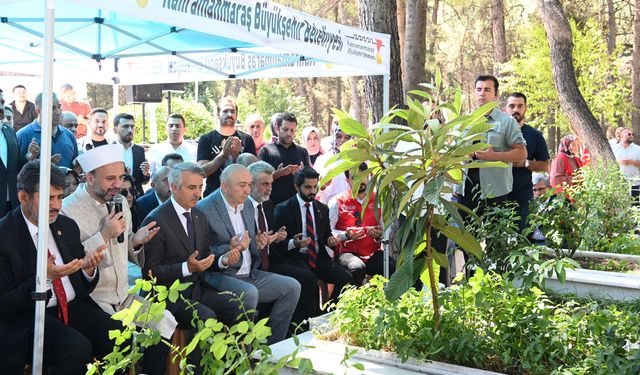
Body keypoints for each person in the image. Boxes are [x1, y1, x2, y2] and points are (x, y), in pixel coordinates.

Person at [61, 144, 172, 374]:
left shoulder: (120, 201)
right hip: (95, 300)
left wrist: (137, 241)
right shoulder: (68, 210)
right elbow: (74, 263)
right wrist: (103, 234)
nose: (118, 185)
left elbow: (126, 245)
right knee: (119, 338)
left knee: (164, 320)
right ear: (89, 178)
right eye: (110, 178)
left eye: (120, 177)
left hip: (124, 295)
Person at [0, 161, 118, 375]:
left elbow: (80, 287)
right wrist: (42, 278)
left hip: (72, 306)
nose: (55, 205)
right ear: (23, 197)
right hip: (29, 315)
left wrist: (88, 270)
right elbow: (5, 304)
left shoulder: (66, 226)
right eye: (48, 198)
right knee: (77, 349)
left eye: (60, 197)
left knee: (119, 335)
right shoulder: (4, 236)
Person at [196, 164, 301, 343]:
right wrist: (228, 250)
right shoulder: (204, 209)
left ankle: (272, 348)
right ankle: (245, 355)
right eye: (242, 185)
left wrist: (261, 243)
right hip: (219, 276)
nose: (247, 190)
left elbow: (250, 243)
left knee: (292, 286)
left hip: (250, 273)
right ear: (225, 186)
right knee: (250, 293)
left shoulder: (248, 206)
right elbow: (201, 252)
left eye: (250, 185)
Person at [142, 162, 244, 328]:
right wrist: (187, 267)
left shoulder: (198, 215)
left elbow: (203, 255)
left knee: (238, 305)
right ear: (174, 188)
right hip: (167, 295)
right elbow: (149, 272)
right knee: (206, 317)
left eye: (200, 187)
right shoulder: (156, 220)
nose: (198, 193)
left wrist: (223, 260)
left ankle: (235, 354)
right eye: (191, 188)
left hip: (195, 288)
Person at [247, 161, 317, 331]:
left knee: (306, 277)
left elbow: (273, 241)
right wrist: (264, 242)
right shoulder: (244, 207)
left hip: (272, 261)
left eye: (271, 183)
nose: (270, 188)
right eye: (264, 184)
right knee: (303, 278)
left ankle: (301, 329)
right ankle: (291, 331)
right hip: (254, 267)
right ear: (251, 185)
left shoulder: (268, 204)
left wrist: (280, 238)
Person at [274, 167, 352, 305]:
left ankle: (330, 314)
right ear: (297, 187)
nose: (313, 191)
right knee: (308, 280)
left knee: (345, 277)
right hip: (295, 257)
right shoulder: (284, 208)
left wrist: (330, 240)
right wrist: (294, 243)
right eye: (308, 187)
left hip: (317, 256)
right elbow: (277, 243)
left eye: (315, 187)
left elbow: (327, 235)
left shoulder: (322, 208)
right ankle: (308, 321)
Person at [456, 75, 527, 219]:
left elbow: (522, 154)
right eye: (479, 89)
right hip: (465, 191)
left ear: (496, 94)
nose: (482, 93)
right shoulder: (463, 122)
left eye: (487, 89)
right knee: (465, 239)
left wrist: (494, 156)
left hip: (496, 192)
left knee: (495, 240)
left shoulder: (507, 122)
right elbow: (452, 155)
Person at [329, 163, 395, 286]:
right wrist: (345, 235)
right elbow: (328, 231)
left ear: (369, 176)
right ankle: (341, 304)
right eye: (354, 178)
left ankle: (387, 303)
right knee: (357, 268)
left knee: (392, 267)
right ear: (347, 180)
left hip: (372, 253)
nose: (359, 180)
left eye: (362, 176)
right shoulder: (337, 202)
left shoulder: (378, 200)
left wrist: (380, 234)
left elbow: (387, 227)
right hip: (346, 253)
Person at [504, 92, 550, 231]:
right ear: (506, 108)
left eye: (520, 106)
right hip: (497, 193)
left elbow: (545, 165)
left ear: (526, 108)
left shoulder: (534, 135)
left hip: (522, 195)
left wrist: (525, 163)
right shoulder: (497, 132)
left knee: (523, 236)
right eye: (511, 106)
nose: (515, 110)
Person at [197, 96, 256, 197]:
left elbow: (253, 173)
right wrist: (223, 155)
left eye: (232, 111)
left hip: (241, 196)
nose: (229, 114)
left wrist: (236, 155)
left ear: (236, 115)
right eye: (225, 111)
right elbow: (201, 172)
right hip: (213, 196)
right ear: (217, 115)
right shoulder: (206, 139)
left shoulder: (247, 139)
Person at [258, 112, 310, 205]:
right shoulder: (266, 151)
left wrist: (301, 175)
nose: (289, 133)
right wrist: (278, 174)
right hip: (273, 205)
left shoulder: (302, 152)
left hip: (297, 206)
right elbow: (258, 181)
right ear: (277, 128)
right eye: (285, 129)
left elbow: (310, 182)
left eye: (292, 130)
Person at [16, 92, 78, 169]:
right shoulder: (23, 135)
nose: (58, 112)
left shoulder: (69, 135)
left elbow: (75, 167)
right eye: (52, 108)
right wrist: (37, 163)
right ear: (38, 111)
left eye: (59, 107)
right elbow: (15, 169)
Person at [112, 113, 149, 197]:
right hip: (116, 197)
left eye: (132, 127)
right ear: (115, 130)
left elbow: (143, 181)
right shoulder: (108, 150)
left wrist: (145, 173)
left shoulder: (139, 150)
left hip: (137, 198)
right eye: (125, 126)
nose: (130, 130)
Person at [314, 122, 352, 204]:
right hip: (326, 207)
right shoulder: (322, 160)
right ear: (334, 136)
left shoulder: (356, 160)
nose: (342, 140)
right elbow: (312, 189)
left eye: (346, 137)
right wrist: (323, 185)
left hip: (350, 209)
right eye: (339, 136)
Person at [0, 104, 24, 218]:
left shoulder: (9, 131)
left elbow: (16, 166)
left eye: (2, 101)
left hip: (12, 203)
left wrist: (29, 156)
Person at [612, 128, 640, 201]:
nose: (631, 136)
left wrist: (632, 162)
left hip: (635, 184)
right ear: (621, 136)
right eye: (629, 134)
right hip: (618, 184)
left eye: (632, 134)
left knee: (635, 207)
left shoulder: (638, 149)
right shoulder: (613, 149)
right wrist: (619, 162)